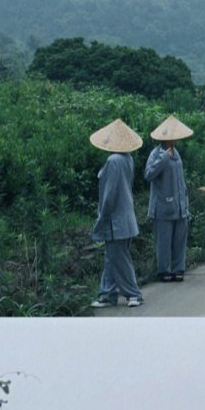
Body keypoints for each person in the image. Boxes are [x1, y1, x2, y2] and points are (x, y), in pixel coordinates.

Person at [89, 118, 143, 308]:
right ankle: (107, 294)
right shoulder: (128, 159)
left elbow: (109, 195)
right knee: (112, 257)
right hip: (126, 217)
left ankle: (133, 294)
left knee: (119, 258)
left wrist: (102, 217)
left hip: (116, 220)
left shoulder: (113, 161)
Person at [145, 115, 192, 283]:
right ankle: (163, 270)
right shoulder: (156, 154)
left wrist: (185, 204)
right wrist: (163, 158)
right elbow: (148, 174)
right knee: (163, 241)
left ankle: (178, 268)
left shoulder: (177, 154)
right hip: (163, 206)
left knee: (180, 239)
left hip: (179, 205)